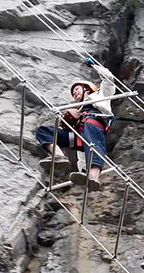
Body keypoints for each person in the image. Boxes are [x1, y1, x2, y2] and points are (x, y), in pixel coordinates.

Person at [35, 59, 116, 190]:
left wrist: (95, 66)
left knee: (94, 145)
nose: (74, 93)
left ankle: (93, 176)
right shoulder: (80, 109)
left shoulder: (101, 95)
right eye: (73, 93)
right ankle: (59, 156)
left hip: (93, 124)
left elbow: (109, 79)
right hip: (79, 134)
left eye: (77, 89)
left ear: (87, 89)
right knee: (44, 131)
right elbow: (82, 151)